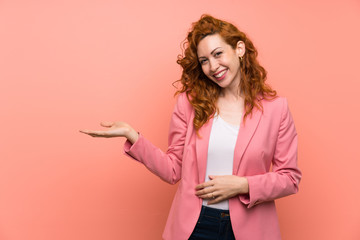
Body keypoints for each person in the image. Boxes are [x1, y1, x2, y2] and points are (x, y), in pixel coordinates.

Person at [80, 14, 301, 240]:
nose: (213, 66)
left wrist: (243, 185)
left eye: (218, 54)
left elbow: (289, 178)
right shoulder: (190, 104)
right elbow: (173, 169)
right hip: (196, 225)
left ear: (239, 49)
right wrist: (132, 136)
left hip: (251, 229)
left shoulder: (276, 109)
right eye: (204, 60)